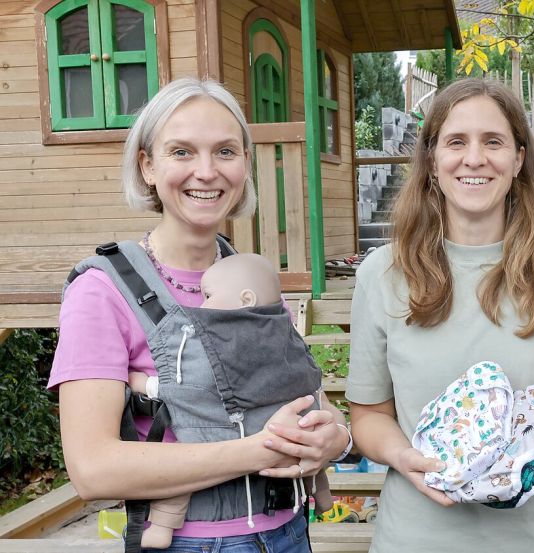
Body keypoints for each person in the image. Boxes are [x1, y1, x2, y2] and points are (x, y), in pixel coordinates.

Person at [49, 78, 351, 552]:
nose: (206, 172)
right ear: (147, 165)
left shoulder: (250, 278)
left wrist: (334, 440)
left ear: (245, 165)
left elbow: (297, 388)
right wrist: (260, 450)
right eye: (182, 152)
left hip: (289, 534)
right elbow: (93, 469)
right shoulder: (102, 291)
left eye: (226, 152)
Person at [346, 78, 534, 552]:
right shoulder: (382, 272)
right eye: (456, 142)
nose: (474, 158)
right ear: (432, 161)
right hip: (416, 538)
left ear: (518, 159)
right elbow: (369, 414)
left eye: (493, 141)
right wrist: (403, 456)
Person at [126, 253, 335, 549]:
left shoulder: (224, 338)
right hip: (290, 426)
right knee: (307, 456)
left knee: (183, 464)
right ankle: (324, 497)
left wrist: (144, 384)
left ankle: (161, 526)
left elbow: (192, 385)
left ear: (245, 299)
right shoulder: (281, 330)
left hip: (233, 431)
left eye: (208, 296)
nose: (202, 305)